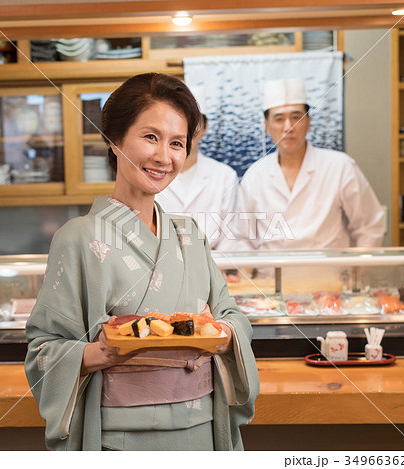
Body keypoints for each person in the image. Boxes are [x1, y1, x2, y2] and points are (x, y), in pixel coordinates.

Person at [24, 73, 259, 451]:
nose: (164, 157)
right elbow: (42, 349)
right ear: (115, 139)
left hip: (200, 424)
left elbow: (231, 316)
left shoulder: (189, 234)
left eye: (177, 143)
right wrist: (98, 352)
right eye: (150, 137)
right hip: (119, 434)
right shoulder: (78, 237)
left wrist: (224, 334)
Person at [234, 78, 384, 250]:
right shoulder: (255, 175)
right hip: (270, 275)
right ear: (267, 127)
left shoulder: (340, 166)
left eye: (296, 117)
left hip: (328, 274)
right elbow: (243, 238)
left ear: (308, 123)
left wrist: (356, 273)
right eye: (279, 119)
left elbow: (369, 227)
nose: (288, 127)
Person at [156, 86, 239, 250]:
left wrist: (213, 271)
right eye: (183, 120)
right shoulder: (153, 172)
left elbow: (231, 235)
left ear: (206, 126)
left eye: (196, 120)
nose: (189, 128)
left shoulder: (225, 176)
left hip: (215, 266)